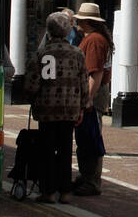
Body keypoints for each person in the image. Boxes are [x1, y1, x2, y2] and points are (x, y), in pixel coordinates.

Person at [24, 13, 89, 204]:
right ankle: (65, 191)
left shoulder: (42, 54)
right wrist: (82, 106)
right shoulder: (77, 54)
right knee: (65, 150)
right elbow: (84, 83)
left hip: (47, 110)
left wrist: (31, 97)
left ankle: (48, 191)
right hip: (69, 110)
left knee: (47, 151)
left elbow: (32, 84)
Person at [72, 2, 113, 196]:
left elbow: (94, 73)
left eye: (80, 18)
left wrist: (87, 98)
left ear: (87, 21)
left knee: (90, 137)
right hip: (96, 93)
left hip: (93, 94)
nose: (77, 21)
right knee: (88, 137)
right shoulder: (95, 38)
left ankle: (91, 180)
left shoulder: (95, 40)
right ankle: (87, 176)